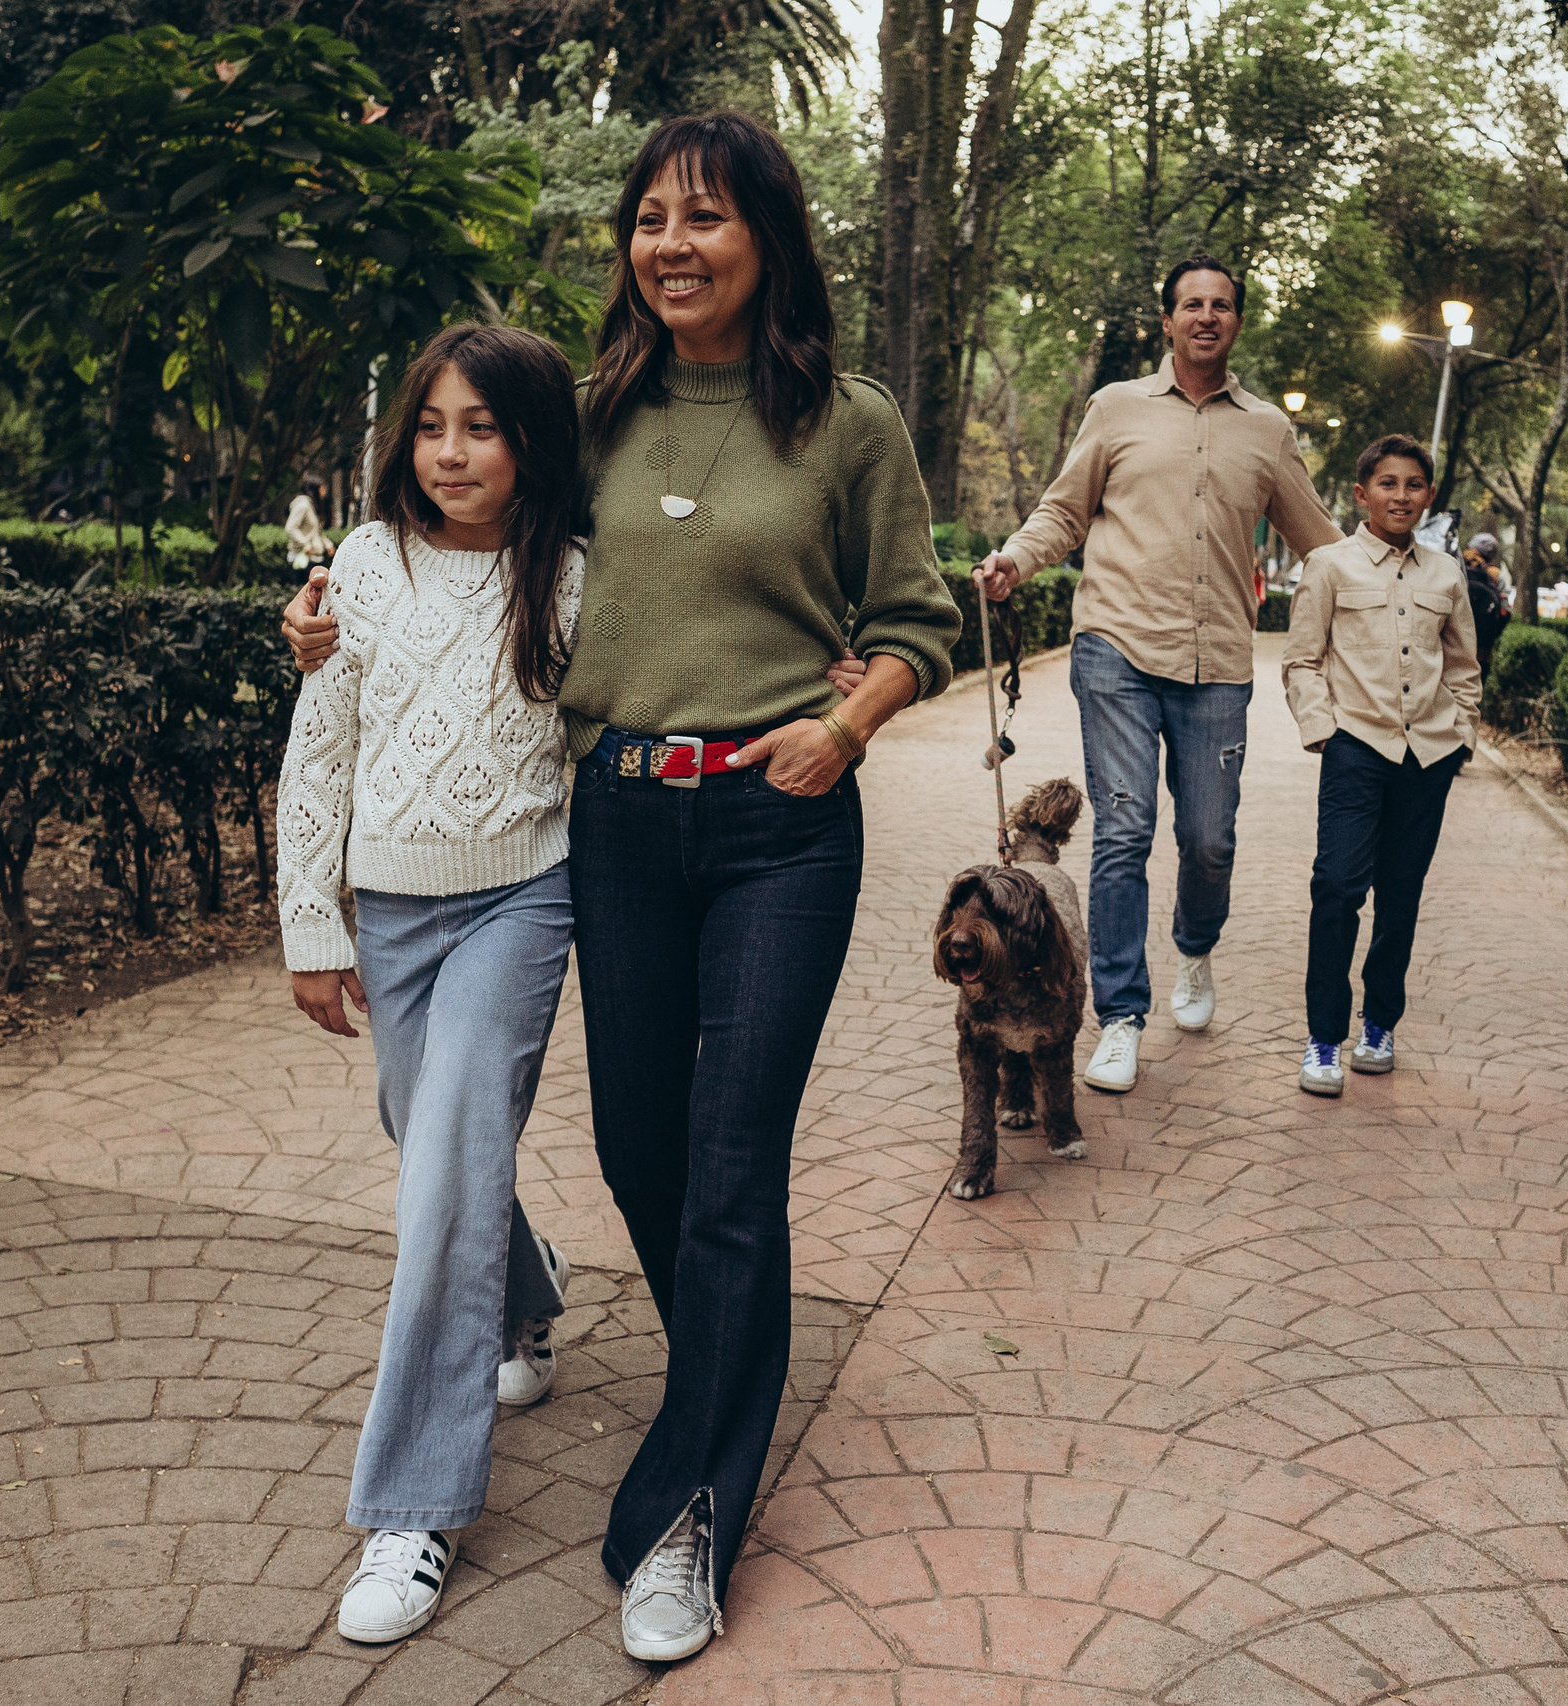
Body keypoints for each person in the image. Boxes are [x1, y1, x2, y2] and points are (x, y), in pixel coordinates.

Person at [279, 112, 959, 1664]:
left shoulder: (848, 422)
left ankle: (687, 1512)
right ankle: (727, 1354)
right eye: (651, 218)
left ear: (768, 236)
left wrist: (849, 722)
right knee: (642, 1149)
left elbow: (919, 619)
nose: (672, 244)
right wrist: (324, 616)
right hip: (617, 822)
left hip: (784, 826)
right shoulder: (593, 414)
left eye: (705, 217)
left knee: (730, 1161)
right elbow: (459, 535)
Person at [275, 324, 588, 1644]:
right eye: (431, 426)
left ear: (533, 443)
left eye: (484, 426)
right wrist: (311, 920)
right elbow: (321, 744)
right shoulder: (361, 565)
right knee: (433, 1140)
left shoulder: (573, 574)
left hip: (524, 896)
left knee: (449, 1157)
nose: (451, 452)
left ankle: (413, 1504)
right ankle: (522, 1290)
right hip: (391, 908)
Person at [972, 256, 1339, 1094]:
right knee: (1125, 830)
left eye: (1222, 305)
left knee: (1209, 840)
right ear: (1167, 320)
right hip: (1118, 647)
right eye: (1191, 304)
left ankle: (1195, 949)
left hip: (1218, 663)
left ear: (1237, 321)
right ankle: (1121, 1017)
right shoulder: (1117, 407)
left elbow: (1322, 545)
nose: (1206, 316)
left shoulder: (1268, 430)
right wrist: (1017, 561)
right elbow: (1065, 509)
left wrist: (1400, 587)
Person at [1280, 434, 1480, 1097]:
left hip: (1427, 756)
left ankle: (1380, 1023)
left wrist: (1462, 735)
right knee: (1337, 887)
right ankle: (1323, 1037)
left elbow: (1463, 667)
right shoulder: (1329, 565)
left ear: (1430, 496)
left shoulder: (1446, 574)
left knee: (1401, 894)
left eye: (1414, 484)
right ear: (1362, 494)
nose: (1401, 496)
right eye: (1388, 484)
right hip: (1355, 748)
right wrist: (1323, 730)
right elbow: (1301, 660)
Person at [1460, 531, 1511, 682]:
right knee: (1477, 685)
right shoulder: (1496, 575)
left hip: (1456, 644)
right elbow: (1505, 610)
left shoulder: (1456, 565)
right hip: (1483, 649)